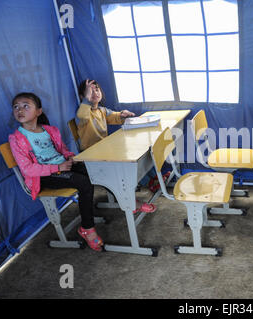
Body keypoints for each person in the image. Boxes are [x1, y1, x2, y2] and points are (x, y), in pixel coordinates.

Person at [9, 92, 104, 252]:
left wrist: (70, 158)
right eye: (16, 107)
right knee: (83, 182)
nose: (20, 110)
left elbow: (63, 150)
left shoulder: (50, 130)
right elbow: (27, 169)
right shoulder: (16, 138)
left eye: (26, 106)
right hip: (43, 176)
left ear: (38, 111)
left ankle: (92, 209)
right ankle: (87, 228)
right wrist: (57, 168)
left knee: (93, 170)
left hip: (62, 166)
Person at [76, 79, 157, 213]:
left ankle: (151, 181)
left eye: (96, 89)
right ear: (82, 97)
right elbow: (81, 115)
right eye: (90, 91)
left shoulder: (101, 110)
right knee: (118, 171)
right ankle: (130, 202)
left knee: (136, 155)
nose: (94, 93)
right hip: (91, 157)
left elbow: (114, 116)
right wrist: (86, 100)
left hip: (105, 151)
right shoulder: (83, 114)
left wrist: (123, 115)